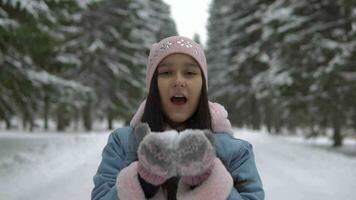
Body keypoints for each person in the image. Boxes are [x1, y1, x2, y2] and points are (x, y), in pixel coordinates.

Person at [91, 36, 264, 200]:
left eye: (189, 73)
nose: (178, 81)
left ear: (202, 85)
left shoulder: (237, 152)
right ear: (153, 85)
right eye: (166, 73)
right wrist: (143, 179)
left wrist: (208, 177)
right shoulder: (122, 143)